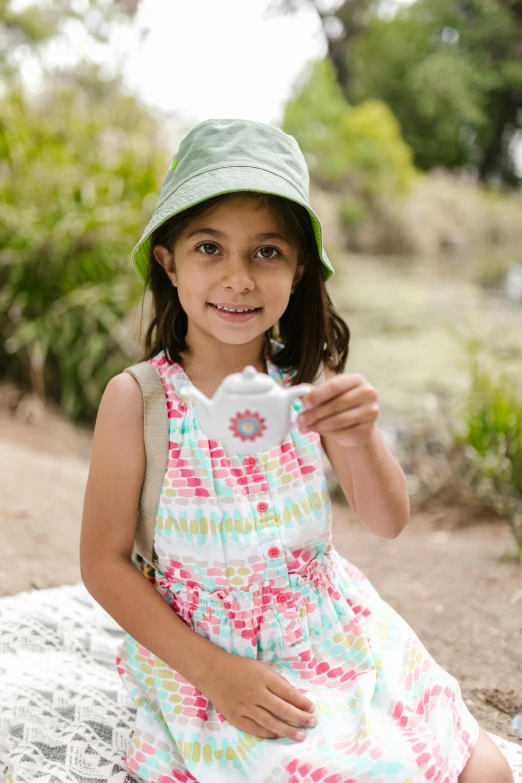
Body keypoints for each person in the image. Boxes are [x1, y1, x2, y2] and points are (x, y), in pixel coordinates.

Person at [80, 119, 513, 783]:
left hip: (329, 631)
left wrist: (362, 436)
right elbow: (105, 563)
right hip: (209, 660)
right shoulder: (138, 400)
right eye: (208, 247)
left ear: (300, 264)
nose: (238, 278)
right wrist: (216, 673)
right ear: (168, 260)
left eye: (266, 252)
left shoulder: (309, 383)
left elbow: (387, 519)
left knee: (486, 771)